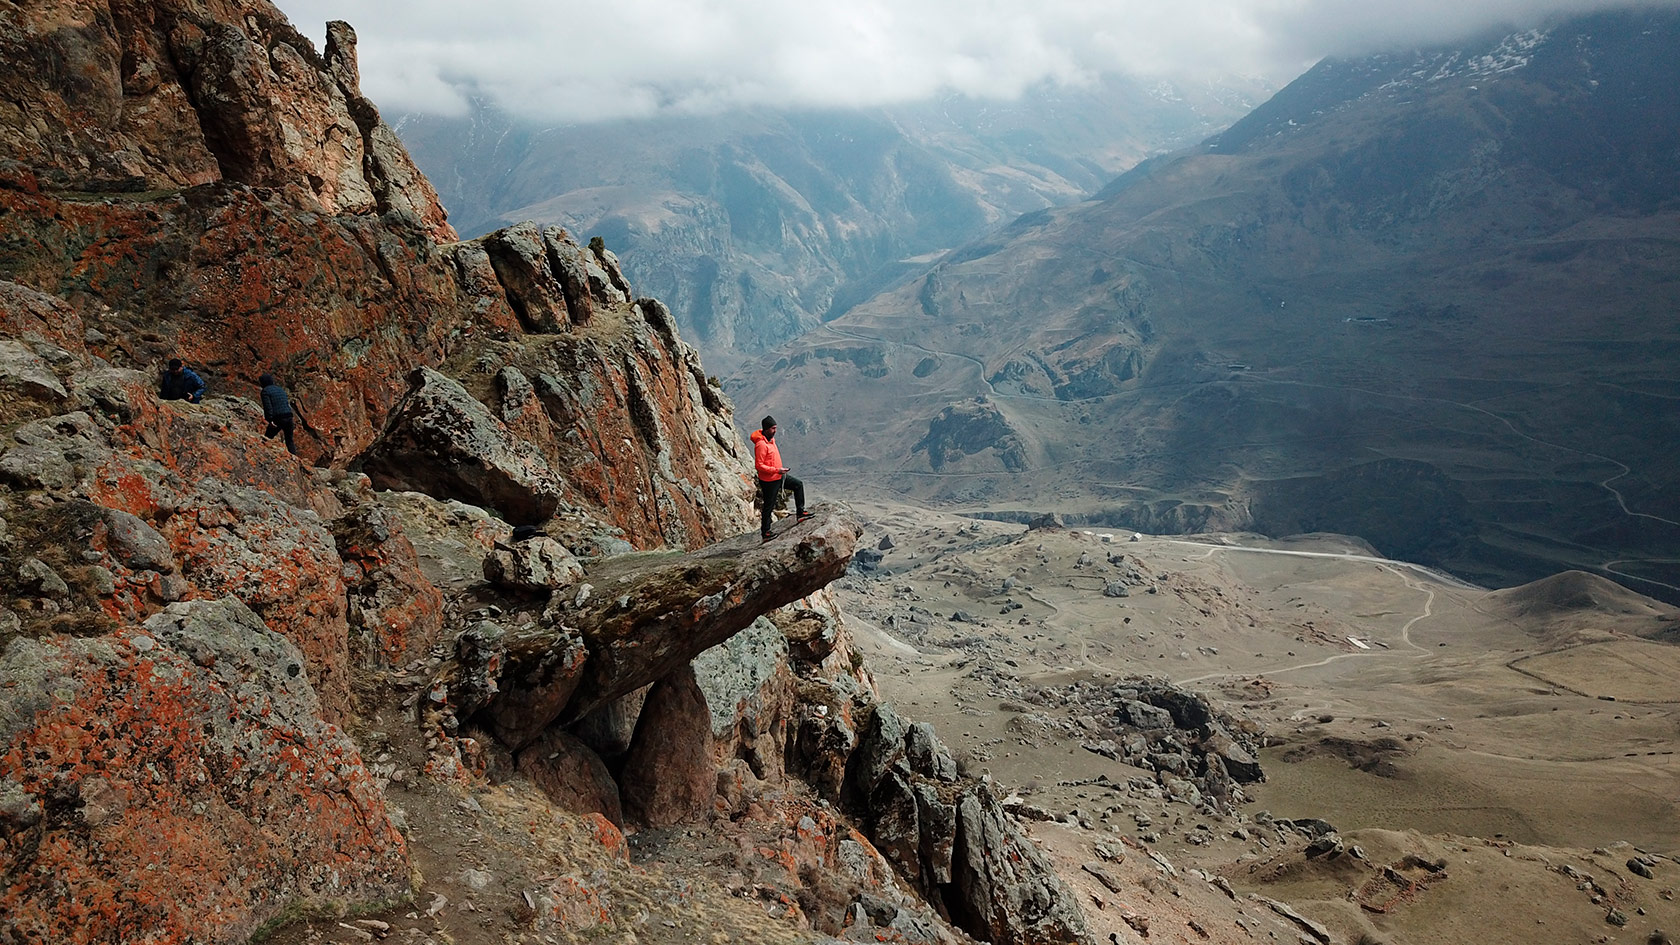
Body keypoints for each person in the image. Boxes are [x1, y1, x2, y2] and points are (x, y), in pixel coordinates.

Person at [750, 415, 810, 541]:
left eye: (775, 428)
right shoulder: (761, 444)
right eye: (773, 428)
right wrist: (777, 470)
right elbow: (759, 466)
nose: (775, 430)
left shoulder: (771, 441)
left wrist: (779, 470)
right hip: (769, 481)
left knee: (798, 484)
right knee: (769, 506)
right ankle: (766, 533)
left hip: (779, 476)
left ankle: (801, 513)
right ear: (766, 429)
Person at [258, 373, 298, 454]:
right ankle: (295, 460)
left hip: (278, 418)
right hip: (289, 416)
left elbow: (268, 407)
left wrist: (270, 420)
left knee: (267, 438)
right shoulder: (280, 389)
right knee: (289, 440)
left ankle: (263, 455)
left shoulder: (265, 391)